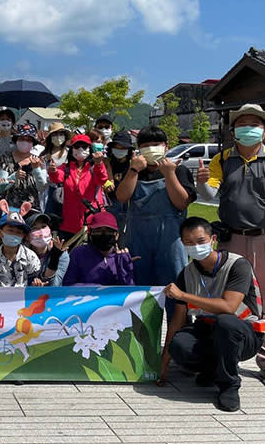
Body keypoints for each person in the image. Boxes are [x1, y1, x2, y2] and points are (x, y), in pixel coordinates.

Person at [196, 103, 265, 389]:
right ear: (233, 131)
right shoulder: (222, 159)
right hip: (231, 238)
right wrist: (202, 183)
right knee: (228, 299)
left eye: (255, 123)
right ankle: (227, 357)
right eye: (242, 123)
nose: (248, 128)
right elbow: (209, 194)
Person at [158, 217, 265, 412]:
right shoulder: (186, 274)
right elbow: (176, 321)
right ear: (182, 244)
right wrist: (165, 363)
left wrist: (183, 295)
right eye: (189, 243)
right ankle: (212, 369)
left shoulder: (238, 265)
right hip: (209, 329)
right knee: (180, 344)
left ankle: (229, 386)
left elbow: (229, 307)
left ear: (213, 239)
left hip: (244, 333)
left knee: (226, 322)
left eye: (201, 241)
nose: (196, 247)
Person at [115, 125, 196, 319]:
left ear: (166, 146)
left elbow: (181, 202)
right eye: (146, 145)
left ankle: (175, 341)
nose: (152, 149)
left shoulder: (179, 170)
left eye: (156, 144)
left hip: (171, 242)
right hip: (138, 241)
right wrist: (134, 169)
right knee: (140, 296)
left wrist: (169, 174)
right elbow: (122, 197)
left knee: (175, 293)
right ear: (139, 149)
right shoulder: (133, 171)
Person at [48, 133, 108, 241]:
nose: (80, 149)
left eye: (84, 147)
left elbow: (102, 179)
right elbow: (57, 178)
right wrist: (53, 171)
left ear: (89, 149)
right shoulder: (65, 168)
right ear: (71, 150)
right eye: (77, 147)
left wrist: (99, 164)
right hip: (69, 221)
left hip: (91, 220)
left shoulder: (94, 167)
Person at [62, 211, 134, 286]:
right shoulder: (78, 254)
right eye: (98, 231)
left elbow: (129, 291)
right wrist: (98, 288)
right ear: (90, 234)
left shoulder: (121, 257)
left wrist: (124, 267)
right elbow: (68, 285)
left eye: (108, 231)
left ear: (116, 235)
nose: (103, 235)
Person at [0, 123, 48, 209]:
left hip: (32, 208)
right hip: (9, 207)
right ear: (16, 140)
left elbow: (42, 187)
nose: (25, 142)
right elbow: (1, 184)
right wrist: (13, 177)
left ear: (33, 143)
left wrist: (36, 169)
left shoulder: (39, 160)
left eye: (28, 140)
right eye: (21, 139)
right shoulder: (6, 158)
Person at [0, 210, 41, 287]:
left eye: (18, 232)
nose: (14, 234)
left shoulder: (30, 256)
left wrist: (36, 284)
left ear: (23, 236)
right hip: (1, 296)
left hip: (23, 296)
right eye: (10, 231)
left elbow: (32, 281)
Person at [24, 212, 70, 286]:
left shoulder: (61, 255)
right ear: (26, 237)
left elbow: (54, 285)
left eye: (44, 226)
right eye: (35, 228)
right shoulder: (22, 255)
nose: (41, 232)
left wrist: (54, 257)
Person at [105, 131, 136, 237]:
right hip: (109, 204)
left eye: (123, 148)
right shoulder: (107, 163)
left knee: (123, 236)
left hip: (127, 206)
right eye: (117, 147)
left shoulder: (133, 165)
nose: (120, 151)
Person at [41, 122, 70, 215]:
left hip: (68, 190)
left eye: (61, 134)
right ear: (50, 137)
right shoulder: (44, 155)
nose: (58, 137)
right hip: (50, 190)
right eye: (55, 134)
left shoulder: (70, 152)